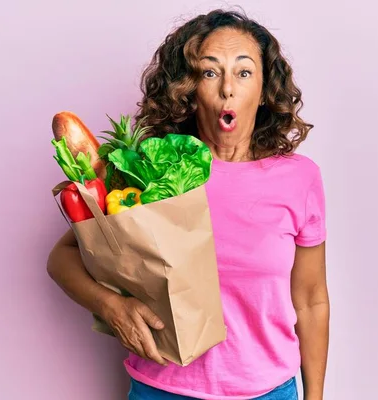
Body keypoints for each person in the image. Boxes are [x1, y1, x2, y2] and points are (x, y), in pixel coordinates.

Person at [47, 8, 329, 400]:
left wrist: (314, 397)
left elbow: (311, 300)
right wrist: (111, 305)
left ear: (265, 90)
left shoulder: (299, 178)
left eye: (244, 72)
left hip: (269, 391)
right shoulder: (151, 167)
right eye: (210, 72)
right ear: (188, 89)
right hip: (162, 388)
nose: (227, 88)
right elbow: (62, 257)